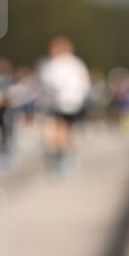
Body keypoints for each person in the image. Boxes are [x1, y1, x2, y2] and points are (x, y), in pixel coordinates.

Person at [37, 36, 91, 174]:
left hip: (61, 103)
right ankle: (68, 157)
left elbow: (47, 83)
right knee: (69, 130)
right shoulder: (76, 63)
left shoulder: (54, 64)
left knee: (62, 129)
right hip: (73, 102)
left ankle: (63, 157)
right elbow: (85, 83)